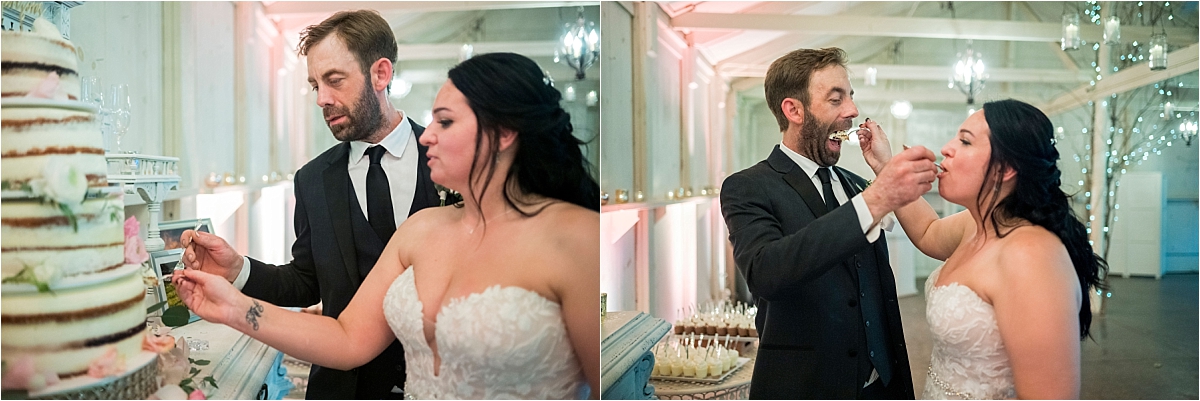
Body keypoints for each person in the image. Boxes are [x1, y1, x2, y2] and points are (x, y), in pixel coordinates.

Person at [174, 52, 600, 399]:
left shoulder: (578, 238)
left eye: (445, 122)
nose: (427, 135)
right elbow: (345, 337)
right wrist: (231, 305)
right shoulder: (421, 228)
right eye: (313, 85)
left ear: (505, 132)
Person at [178, 10, 444, 399]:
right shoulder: (313, 179)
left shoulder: (445, 162)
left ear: (381, 74)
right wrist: (239, 269)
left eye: (334, 80)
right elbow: (306, 282)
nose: (322, 99)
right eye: (314, 84)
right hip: (340, 387)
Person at [856, 99, 1107, 399]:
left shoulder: (1030, 254)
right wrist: (886, 167)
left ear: (1006, 168)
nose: (947, 148)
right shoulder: (975, 225)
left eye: (964, 141)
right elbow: (927, 231)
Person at [719, 47, 927, 399]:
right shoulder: (747, 186)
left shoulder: (854, 183)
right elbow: (766, 272)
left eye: (851, 97)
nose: (853, 111)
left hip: (882, 387)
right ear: (794, 110)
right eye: (836, 99)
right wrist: (875, 199)